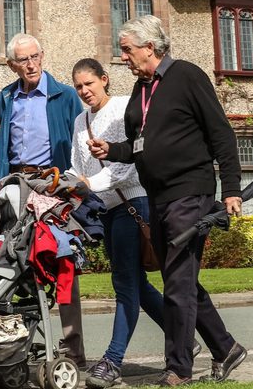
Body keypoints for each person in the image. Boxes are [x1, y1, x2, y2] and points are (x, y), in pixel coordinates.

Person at [88, 15, 246, 387]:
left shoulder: (188, 76)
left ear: (150, 48)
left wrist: (233, 188)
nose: (122, 57)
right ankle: (226, 349)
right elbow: (140, 147)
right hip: (156, 197)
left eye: (126, 50)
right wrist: (112, 150)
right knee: (182, 279)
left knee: (177, 283)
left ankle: (178, 369)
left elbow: (220, 133)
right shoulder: (140, 93)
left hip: (191, 192)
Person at [69, 58, 169, 388]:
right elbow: (76, 165)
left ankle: (112, 361)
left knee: (125, 284)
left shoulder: (125, 108)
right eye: (79, 86)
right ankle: (181, 338)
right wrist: (66, 186)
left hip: (132, 202)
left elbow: (131, 158)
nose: (85, 91)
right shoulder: (80, 121)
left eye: (90, 84)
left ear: (104, 79)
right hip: (107, 209)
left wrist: (91, 184)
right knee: (136, 284)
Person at [0, 33, 86, 368]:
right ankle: (15, 347)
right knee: (14, 262)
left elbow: (81, 145)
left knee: (61, 262)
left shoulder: (64, 96)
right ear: (11, 65)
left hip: (54, 184)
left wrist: (74, 188)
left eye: (35, 57)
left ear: (42, 56)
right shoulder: (6, 97)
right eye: (23, 60)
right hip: (17, 184)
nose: (31, 65)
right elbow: (4, 147)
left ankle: (73, 349)